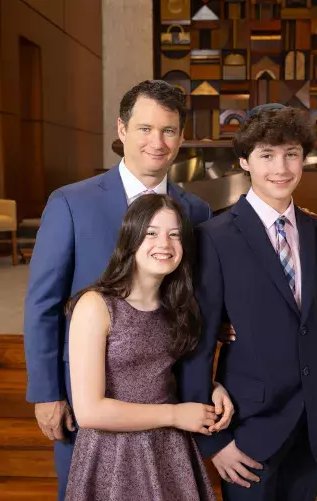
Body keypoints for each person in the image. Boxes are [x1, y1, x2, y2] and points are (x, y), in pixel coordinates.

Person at [23, 80, 213, 501]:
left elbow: (194, 299)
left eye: (168, 131)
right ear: (122, 130)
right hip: (85, 393)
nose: (157, 142)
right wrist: (46, 392)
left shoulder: (196, 211)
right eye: (145, 128)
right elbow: (43, 303)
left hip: (165, 396)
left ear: (181, 138)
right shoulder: (72, 202)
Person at [177, 104, 317, 501]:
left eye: (292, 154)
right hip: (248, 430)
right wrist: (216, 441)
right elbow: (198, 340)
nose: (281, 167)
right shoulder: (214, 237)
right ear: (244, 160)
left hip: (315, 425)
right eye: (267, 155)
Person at [64, 194, 230, 501]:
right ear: (131, 239)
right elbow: (89, 412)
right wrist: (176, 415)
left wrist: (213, 387)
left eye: (174, 235)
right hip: (113, 454)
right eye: (151, 233)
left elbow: (165, 374)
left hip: (169, 449)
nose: (164, 244)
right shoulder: (96, 306)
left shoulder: (177, 306)